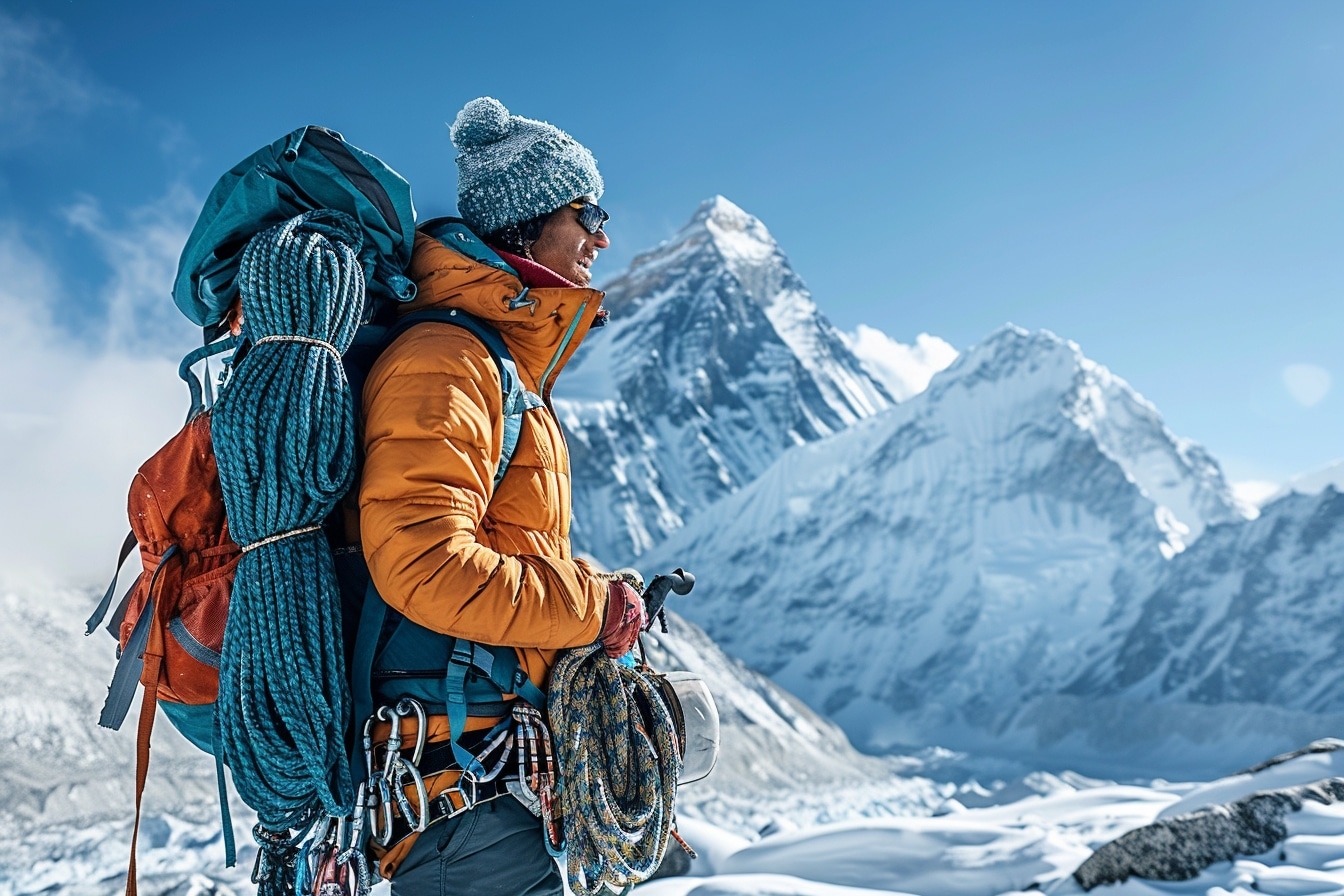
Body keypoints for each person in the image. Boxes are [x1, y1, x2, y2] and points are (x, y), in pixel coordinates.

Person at [357, 97, 646, 895]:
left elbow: (496, 546)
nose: (603, 236)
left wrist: (587, 589)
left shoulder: (496, 366)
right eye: (588, 212)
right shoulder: (447, 359)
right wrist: (590, 609)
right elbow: (424, 564)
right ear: (527, 222)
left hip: (490, 792)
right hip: (462, 804)